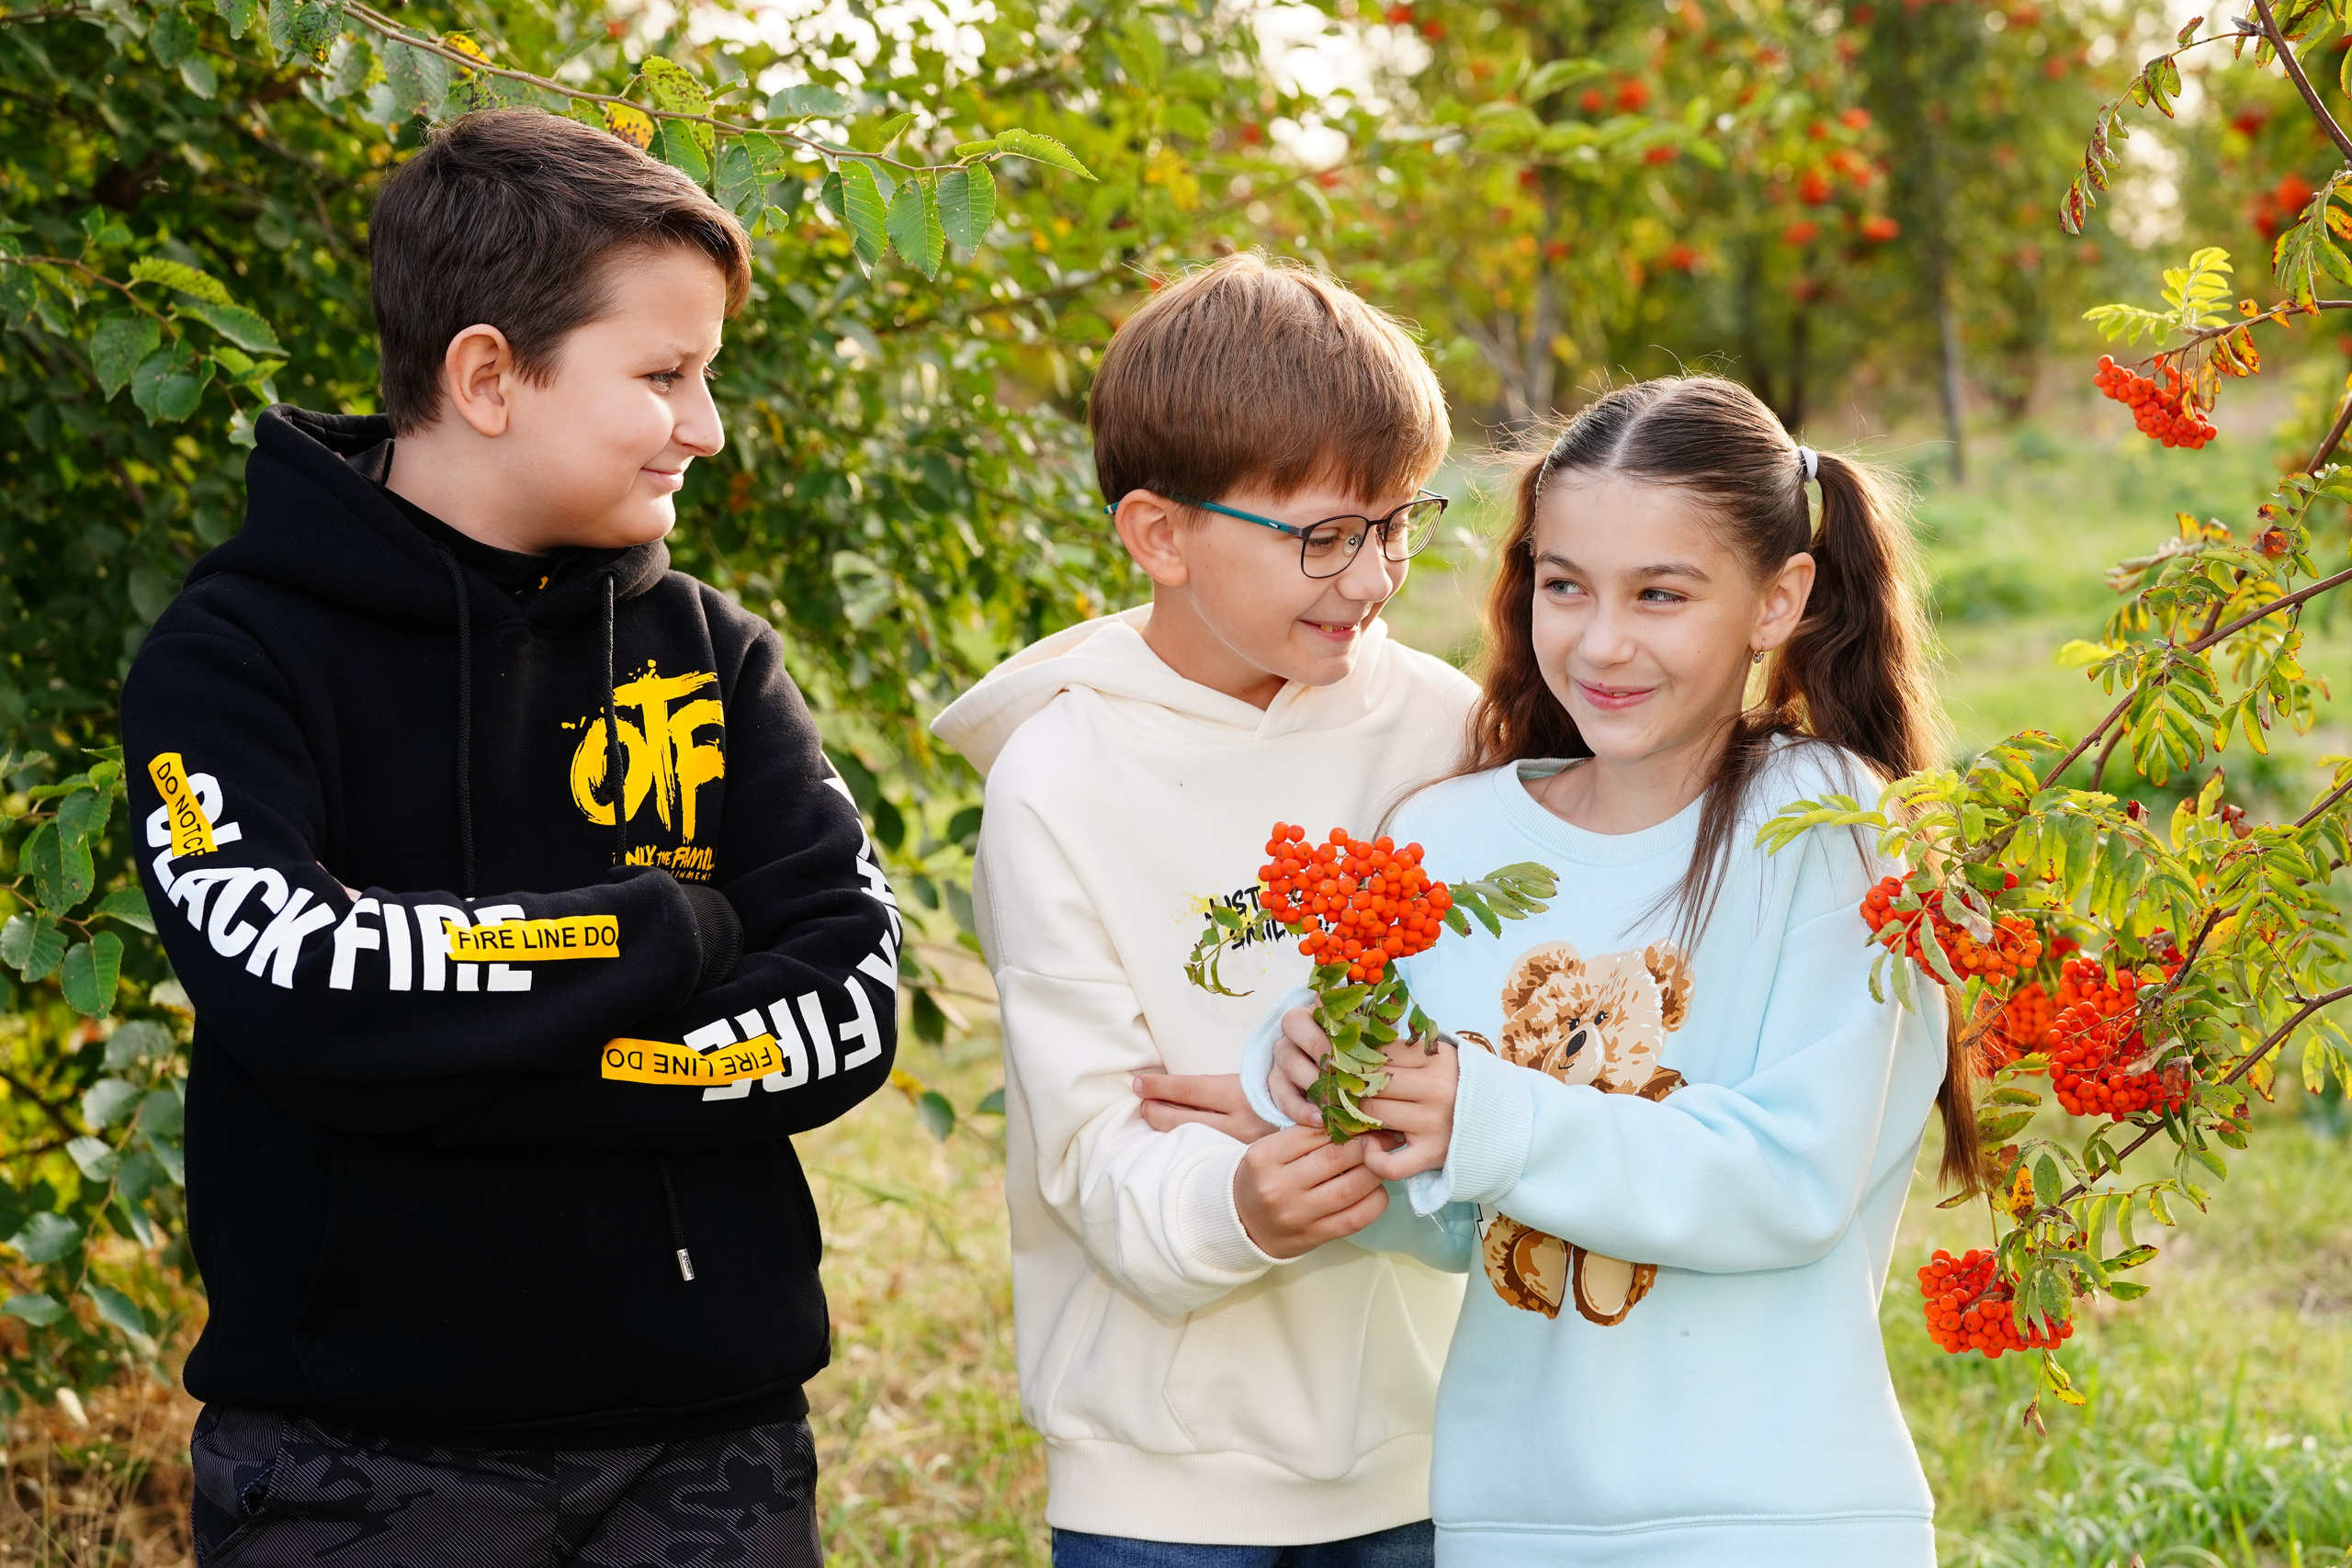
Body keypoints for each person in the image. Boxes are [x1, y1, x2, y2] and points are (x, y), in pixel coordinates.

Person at [122, 109, 899, 1564]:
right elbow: (294, 981)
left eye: (705, 376)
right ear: (488, 375)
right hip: (352, 1462)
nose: (706, 425)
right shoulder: (231, 660)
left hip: (713, 1444)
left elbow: (852, 1003)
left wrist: (447, 1063)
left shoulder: (715, 658)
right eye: (663, 375)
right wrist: (666, 934)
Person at [1258, 375, 1967, 1565]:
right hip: (1513, 1517)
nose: (1601, 641)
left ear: (1778, 598)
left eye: (1661, 594)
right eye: (1565, 585)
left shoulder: (1831, 825)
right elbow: (1456, 1222)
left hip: (1778, 1523)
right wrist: (1330, 1097)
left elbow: (1793, 1180)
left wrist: (1482, 1114)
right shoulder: (1449, 838)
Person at [930, 253, 1478, 1566]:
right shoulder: (1057, 779)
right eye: (1324, 536)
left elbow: (1508, 1054)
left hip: (1434, 1445)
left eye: (1399, 523)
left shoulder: (1452, 733)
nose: (1371, 578)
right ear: (1159, 534)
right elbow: (1087, 1137)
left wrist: (1344, 1112)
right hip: (1158, 1482)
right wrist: (1242, 1199)